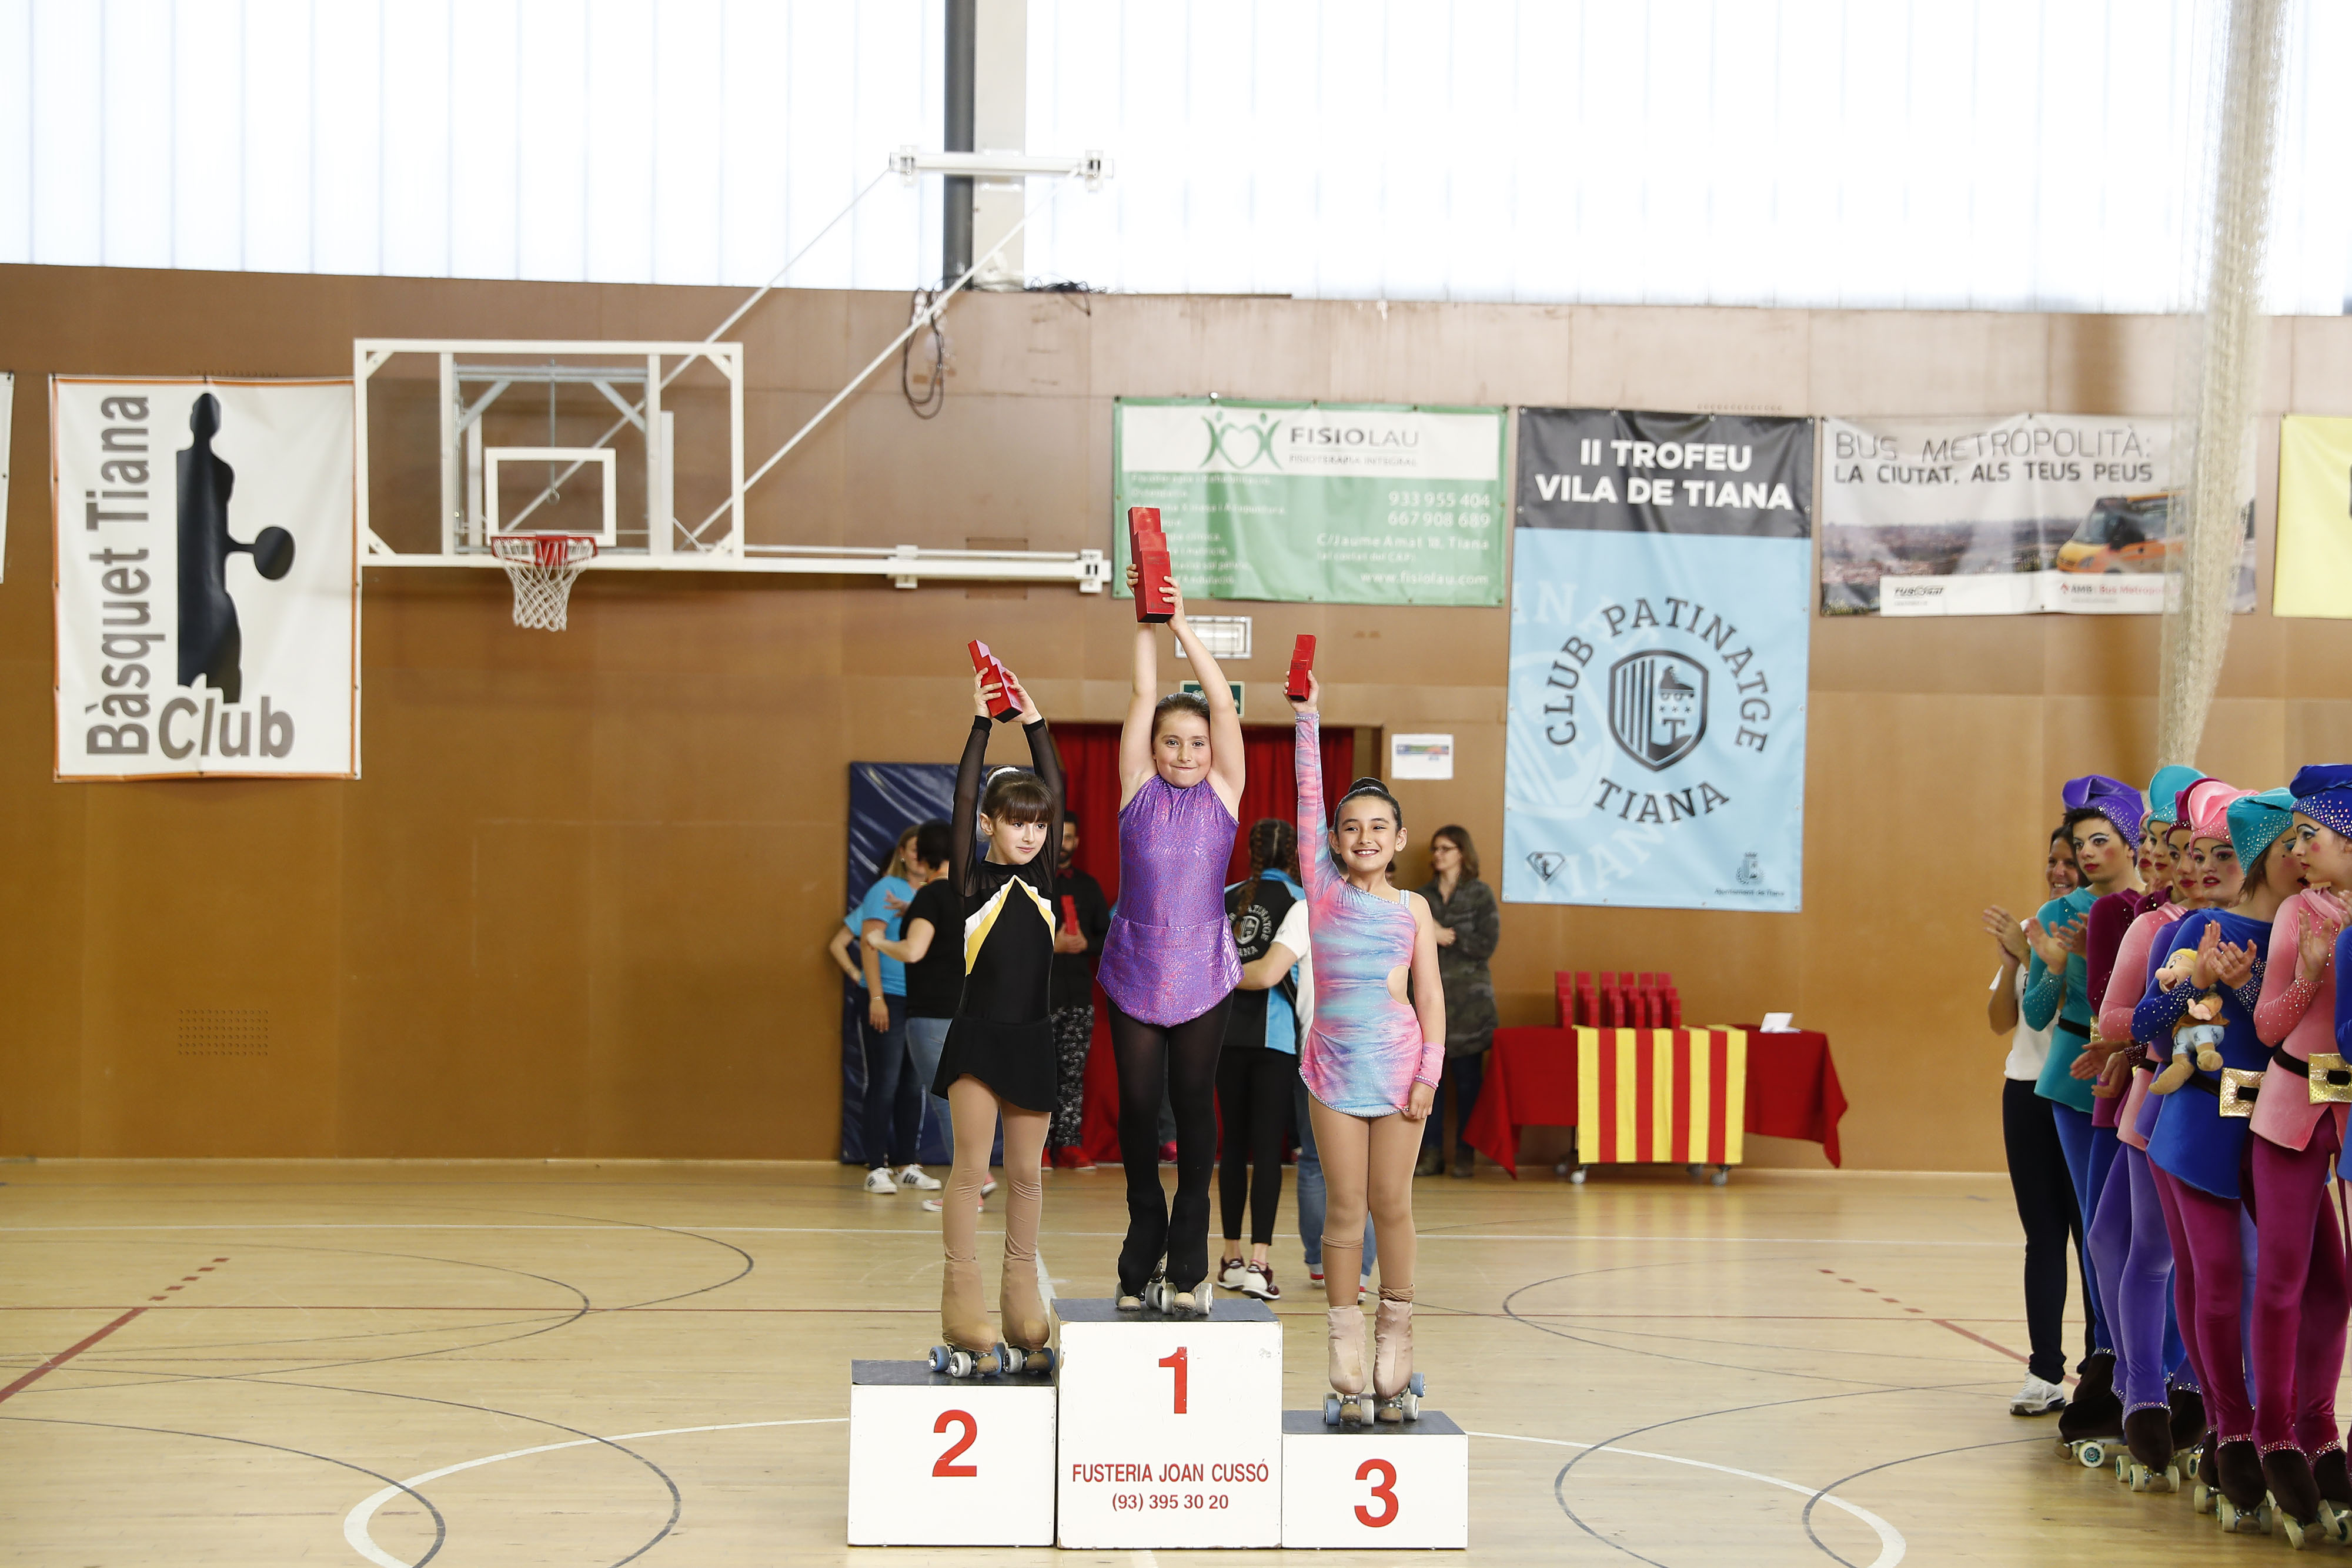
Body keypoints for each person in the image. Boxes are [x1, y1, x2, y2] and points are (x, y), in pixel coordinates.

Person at [1288, 669, 1445, 1424]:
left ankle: (1395, 1334)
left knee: (1392, 1204)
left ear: (1399, 839)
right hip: (1332, 1071)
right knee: (1344, 1209)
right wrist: (1308, 717)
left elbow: (1431, 999)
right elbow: (1307, 795)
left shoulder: (1413, 908)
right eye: (1351, 827)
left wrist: (1428, 1076)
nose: (1364, 838)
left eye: (1379, 827)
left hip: (1400, 1071)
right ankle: (1345, 1340)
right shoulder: (1321, 889)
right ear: (1333, 840)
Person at [2133, 783, 2286, 1532]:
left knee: (2263, 1283)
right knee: (2215, 1279)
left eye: (2224, 852)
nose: (2207, 866)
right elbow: (2148, 1025)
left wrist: (2257, 982)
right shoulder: (2197, 928)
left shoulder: (2308, 927)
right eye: (2289, 844)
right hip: (2198, 1121)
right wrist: (2198, 981)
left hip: (2279, 1130)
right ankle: (2231, 1432)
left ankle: (2261, 1426)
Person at [1097, 570, 1244, 1315]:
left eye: (1196, 743)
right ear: (1151, 748)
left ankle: (1189, 1250)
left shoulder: (1222, 793)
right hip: (1134, 964)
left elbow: (1221, 702)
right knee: (1136, 1105)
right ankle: (1143, 1227)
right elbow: (1140, 692)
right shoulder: (1135, 789)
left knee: (1192, 1103)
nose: (1185, 752)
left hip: (1203, 969)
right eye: (1171, 742)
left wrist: (1183, 622)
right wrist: (1146, 619)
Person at [927, 660, 1064, 1372]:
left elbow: (1055, 784)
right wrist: (982, 721)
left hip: (1032, 1043)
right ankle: (963, 1307)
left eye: (1040, 824)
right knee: (970, 1172)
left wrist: (1034, 720)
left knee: (1028, 1178)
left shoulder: (1044, 879)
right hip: (978, 1042)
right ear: (988, 824)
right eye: (1017, 822)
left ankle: (1021, 1304)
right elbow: (961, 796)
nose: (1032, 834)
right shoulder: (970, 880)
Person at [2020, 774, 2143, 1449]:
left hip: (2142, 1073)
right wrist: (2051, 963)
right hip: (2073, 1078)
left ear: (2130, 842)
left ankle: (2143, 1370)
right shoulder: (2061, 910)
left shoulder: (2152, 908)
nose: (2087, 854)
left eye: (2099, 841)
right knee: (2098, 1230)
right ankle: (2105, 1364)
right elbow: (2037, 1013)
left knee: (2136, 1232)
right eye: (2079, 844)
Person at [2249, 771, 2352, 1537]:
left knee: (2336, 1286)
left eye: (2311, 835)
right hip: (2290, 1108)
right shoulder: (2298, 910)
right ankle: (2274, 1431)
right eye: (2294, 837)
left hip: (2348, 1119)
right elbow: (2266, 1025)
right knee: (2283, 1280)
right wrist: (2312, 974)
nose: (2299, 849)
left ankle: (2321, 1426)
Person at [1980, 824, 2082, 1418]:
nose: (2060, 870)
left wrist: (2032, 959)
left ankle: (2105, 1372)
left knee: (2093, 1241)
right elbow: (2003, 1021)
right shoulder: (2031, 928)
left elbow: (2074, 1012)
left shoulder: (2098, 928)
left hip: (2077, 1093)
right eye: (2054, 860)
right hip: (2024, 1091)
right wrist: (2010, 965)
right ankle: (2044, 1372)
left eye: (2071, 859)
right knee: (2042, 1237)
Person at [869, 820, 998, 1216]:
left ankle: (969, 1189)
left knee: (946, 1102)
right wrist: (913, 910)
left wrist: (879, 941)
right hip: (973, 1012)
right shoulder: (973, 894)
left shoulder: (930, 896)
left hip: (933, 1015)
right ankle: (981, 1176)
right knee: (968, 1100)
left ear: (923, 857)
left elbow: (914, 951)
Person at [828, 824, 941, 1196]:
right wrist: (875, 996)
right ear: (903, 854)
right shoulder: (885, 889)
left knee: (912, 1085)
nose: (917, 855)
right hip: (887, 998)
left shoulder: (932, 893)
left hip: (918, 1001)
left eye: (922, 849)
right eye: (912, 848)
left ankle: (908, 1163)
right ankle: (876, 1166)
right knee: (885, 1082)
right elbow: (869, 943)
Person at [1217, 819, 1304, 1302]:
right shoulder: (1301, 900)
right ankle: (1259, 1262)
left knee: (1232, 1145)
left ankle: (1229, 1258)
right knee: (1268, 1149)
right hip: (1276, 1039)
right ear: (1293, 853)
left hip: (1223, 1036)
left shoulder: (1226, 896)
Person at [1415, 825, 1499, 1179]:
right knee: (1428, 1083)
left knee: (1468, 1085)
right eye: (1435, 849)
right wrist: (1427, 933)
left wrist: (1446, 935)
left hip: (1470, 1008)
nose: (1438, 855)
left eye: (1446, 849)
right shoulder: (1421, 897)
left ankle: (1465, 1154)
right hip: (1427, 1004)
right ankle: (1430, 1154)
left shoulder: (1480, 894)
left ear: (1462, 852)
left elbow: (1487, 943)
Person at [1048, 818, 1111, 1169]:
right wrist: (1051, 946)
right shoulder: (1032, 883)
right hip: (1037, 998)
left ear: (1077, 842)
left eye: (1069, 838)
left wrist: (1087, 944)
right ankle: (1039, 1146)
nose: (1063, 844)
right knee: (1036, 1072)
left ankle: (1069, 1144)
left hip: (1079, 997)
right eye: (1059, 837)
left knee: (1072, 1074)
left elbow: (1109, 937)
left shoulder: (1088, 886)